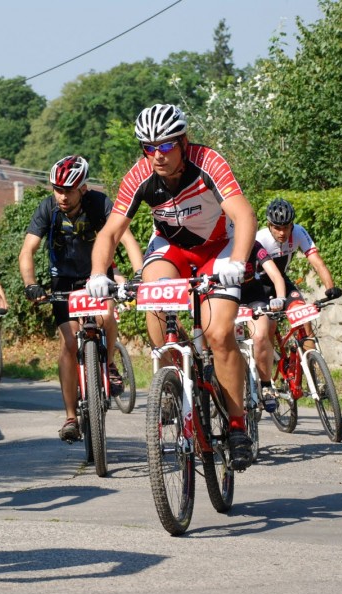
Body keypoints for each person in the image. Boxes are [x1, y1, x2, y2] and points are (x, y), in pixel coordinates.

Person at [87, 104, 258, 470]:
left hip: (217, 250)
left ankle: (236, 425)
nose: (156, 156)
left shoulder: (207, 161)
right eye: (148, 148)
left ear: (183, 142)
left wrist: (238, 261)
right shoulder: (140, 176)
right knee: (152, 297)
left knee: (219, 333)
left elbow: (243, 214)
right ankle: (173, 377)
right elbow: (112, 230)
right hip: (171, 249)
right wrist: (98, 272)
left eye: (164, 147)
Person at [19, 155, 143, 443]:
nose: (62, 196)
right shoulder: (47, 208)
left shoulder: (99, 204)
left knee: (106, 316)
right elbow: (28, 251)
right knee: (69, 342)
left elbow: (126, 238)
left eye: (69, 190)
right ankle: (71, 417)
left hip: (97, 276)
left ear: (83, 188)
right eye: (57, 189)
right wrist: (30, 284)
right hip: (61, 279)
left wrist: (138, 274)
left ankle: (109, 364)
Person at [241, 198, 341, 410]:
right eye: (277, 228)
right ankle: (267, 377)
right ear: (269, 225)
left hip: (281, 282)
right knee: (266, 330)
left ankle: (315, 376)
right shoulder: (260, 238)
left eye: (286, 227)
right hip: (260, 286)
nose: (282, 233)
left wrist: (329, 286)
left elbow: (316, 260)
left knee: (304, 319)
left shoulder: (299, 232)